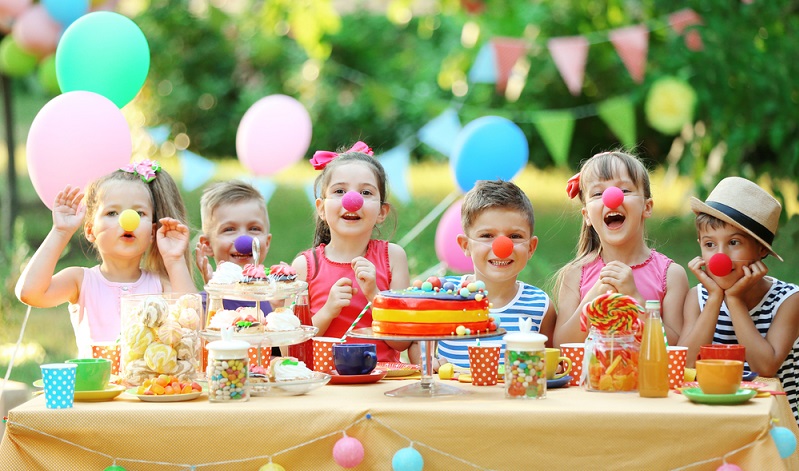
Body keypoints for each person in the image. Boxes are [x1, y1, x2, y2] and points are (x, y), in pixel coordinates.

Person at [15, 160, 195, 358]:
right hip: (95, 388)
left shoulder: (160, 284)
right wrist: (60, 232)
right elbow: (29, 293)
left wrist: (175, 259)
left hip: (147, 388)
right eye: (112, 213)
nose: (128, 220)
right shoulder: (80, 281)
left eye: (139, 213)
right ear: (90, 230)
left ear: (152, 232)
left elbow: (192, 321)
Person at [679, 177, 799, 420]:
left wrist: (733, 300)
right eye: (710, 244)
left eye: (734, 243)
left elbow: (765, 368)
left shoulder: (789, 300)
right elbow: (685, 364)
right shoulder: (698, 298)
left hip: (773, 425)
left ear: (761, 249)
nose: (720, 256)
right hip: (711, 419)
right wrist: (715, 298)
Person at [291, 141, 412, 362]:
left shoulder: (393, 257)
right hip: (325, 385)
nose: (352, 201)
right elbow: (292, 344)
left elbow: (402, 342)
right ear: (321, 208)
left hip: (380, 384)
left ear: (382, 212)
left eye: (365, 192)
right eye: (339, 191)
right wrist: (328, 310)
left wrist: (374, 295)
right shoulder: (304, 267)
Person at [553, 151, 688, 346]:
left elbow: (674, 347)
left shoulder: (671, 275)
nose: (612, 198)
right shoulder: (575, 274)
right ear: (587, 216)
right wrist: (594, 297)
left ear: (646, 207)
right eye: (598, 194)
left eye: (624, 190)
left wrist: (634, 298)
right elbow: (561, 347)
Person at [435, 179, 556, 370]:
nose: (502, 248)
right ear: (465, 245)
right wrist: (428, 363)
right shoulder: (442, 296)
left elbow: (549, 365)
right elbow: (419, 347)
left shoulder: (541, 306)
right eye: (487, 236)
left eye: (515, 236)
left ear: (531, 247)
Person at [195, 180, 280, 357]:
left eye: (254, 229)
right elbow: (201, 352)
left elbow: (279, 353)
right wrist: (215, 294)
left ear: (267, 242)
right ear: (207, 245)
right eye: (229, 229)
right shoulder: (204, 304)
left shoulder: (272, 298)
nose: (244, 240)